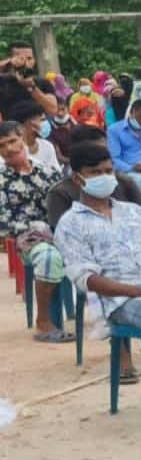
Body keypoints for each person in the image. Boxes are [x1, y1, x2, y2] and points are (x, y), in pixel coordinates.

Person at [56, 140, 141, 383]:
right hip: (119, 300)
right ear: (78, 179)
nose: (104, 177)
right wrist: (137, 291)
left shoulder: (134, 212)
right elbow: (86, 278)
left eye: (108, 171)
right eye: (95, 172)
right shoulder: (70, 224)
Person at [0, 122, 67, 344]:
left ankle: (107, 317)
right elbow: (3, 223)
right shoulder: (1, 180)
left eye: (12, 141)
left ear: (22, 138)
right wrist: (37, 230)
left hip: (59, 231)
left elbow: (64, 202)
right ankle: (44, 321)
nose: (9, 149)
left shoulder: (47, 171)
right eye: (2, 146)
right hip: (27, 238)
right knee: (48, 257)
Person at [107, 98, 141, 177]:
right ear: (131, 113)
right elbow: (114, 158)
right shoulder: (114, 130)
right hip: (126, 173)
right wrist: (131, 168)